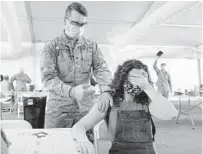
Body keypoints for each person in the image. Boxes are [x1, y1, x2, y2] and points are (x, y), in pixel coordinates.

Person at [71, 59, 178, 154]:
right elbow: (79, 127)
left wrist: (148, 88)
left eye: (144, 77)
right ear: (123, 79)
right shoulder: (109, 102)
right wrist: (82, 140)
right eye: (135, 77)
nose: (141, 80)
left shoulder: (147, 102)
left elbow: (171, 115)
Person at [40, 2, 112, 129]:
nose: (79, 28)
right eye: (75, 23)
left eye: (83, 24)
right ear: (65, 21)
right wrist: (72, 92)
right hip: (59, 110)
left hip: (85, 110)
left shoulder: (91, 46)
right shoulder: (51, 47)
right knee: (56, 146)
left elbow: (101, 68)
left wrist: (106, 90)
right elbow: (48, 79)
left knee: (86, 145)